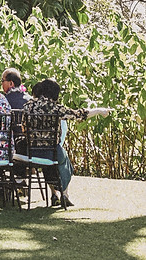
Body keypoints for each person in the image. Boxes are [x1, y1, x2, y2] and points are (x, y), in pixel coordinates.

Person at [23, 78, 111, 208]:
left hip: (31, 151)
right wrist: (99, 110)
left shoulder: (28, 106)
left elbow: (24, 128)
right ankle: (64, 194)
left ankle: (55, 194)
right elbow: (79, 115)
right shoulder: (56, 108)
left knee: (50, 165)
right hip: (51, 152)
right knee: (63, 162)